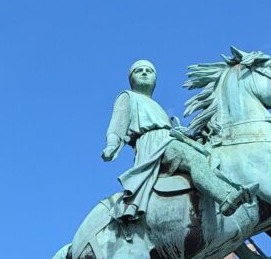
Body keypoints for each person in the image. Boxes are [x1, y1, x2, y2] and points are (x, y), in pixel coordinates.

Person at [102, 60, 257, 222]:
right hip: (154, 144)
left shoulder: (156, 105)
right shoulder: (127, 96)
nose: (144, 73)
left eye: (149, 71)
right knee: (192, 158)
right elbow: (117, 124)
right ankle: (226, 198)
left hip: (169, 139)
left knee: (211, 152)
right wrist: (112, 145)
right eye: (138, 70)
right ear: (131, 78)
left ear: (155, 79)